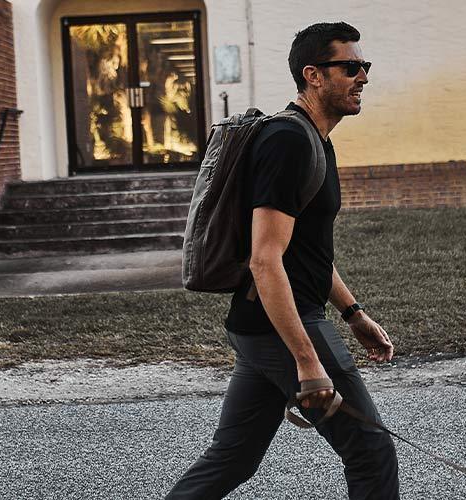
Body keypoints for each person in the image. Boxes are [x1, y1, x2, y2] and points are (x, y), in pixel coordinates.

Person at [167, 22, 399, 500]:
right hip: (282, 323)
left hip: (263, 322)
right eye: (351, 67)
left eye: (365, 66)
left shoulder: (316, 140)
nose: (363, 77)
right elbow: (265, 260)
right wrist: (307, 360)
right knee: (370, 449)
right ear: (313, 75)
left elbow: (306, 252)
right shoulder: (288, 142)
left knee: (232, 457)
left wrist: (354, 314)